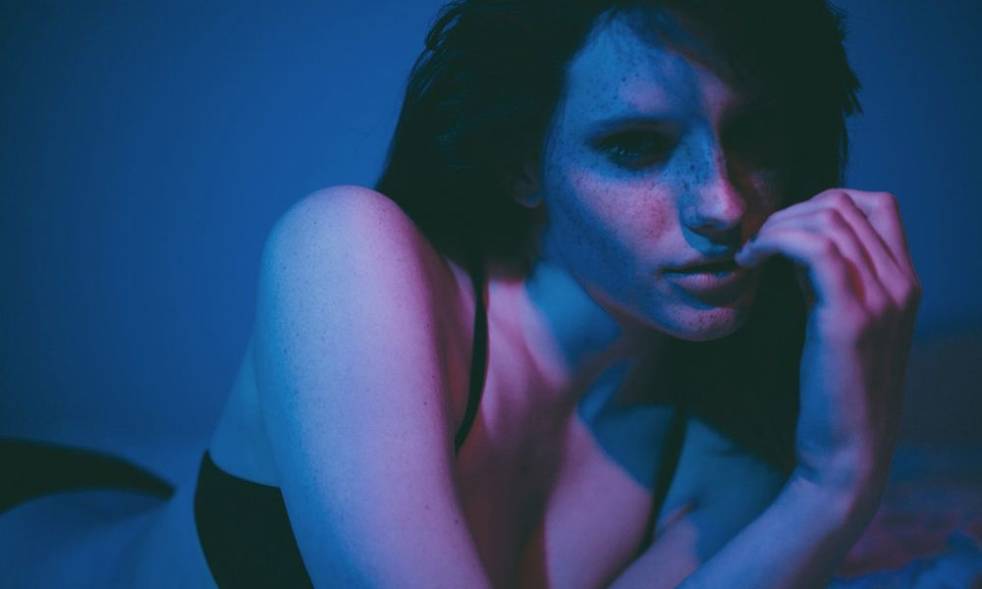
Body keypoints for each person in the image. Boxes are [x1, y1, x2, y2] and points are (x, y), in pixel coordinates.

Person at [2, 0, 922, 587]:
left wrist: (832, 482)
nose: (721, 203)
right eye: (635, 147)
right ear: (523, 164)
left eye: (754, 135)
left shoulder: (723, 459)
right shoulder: (351, 251)